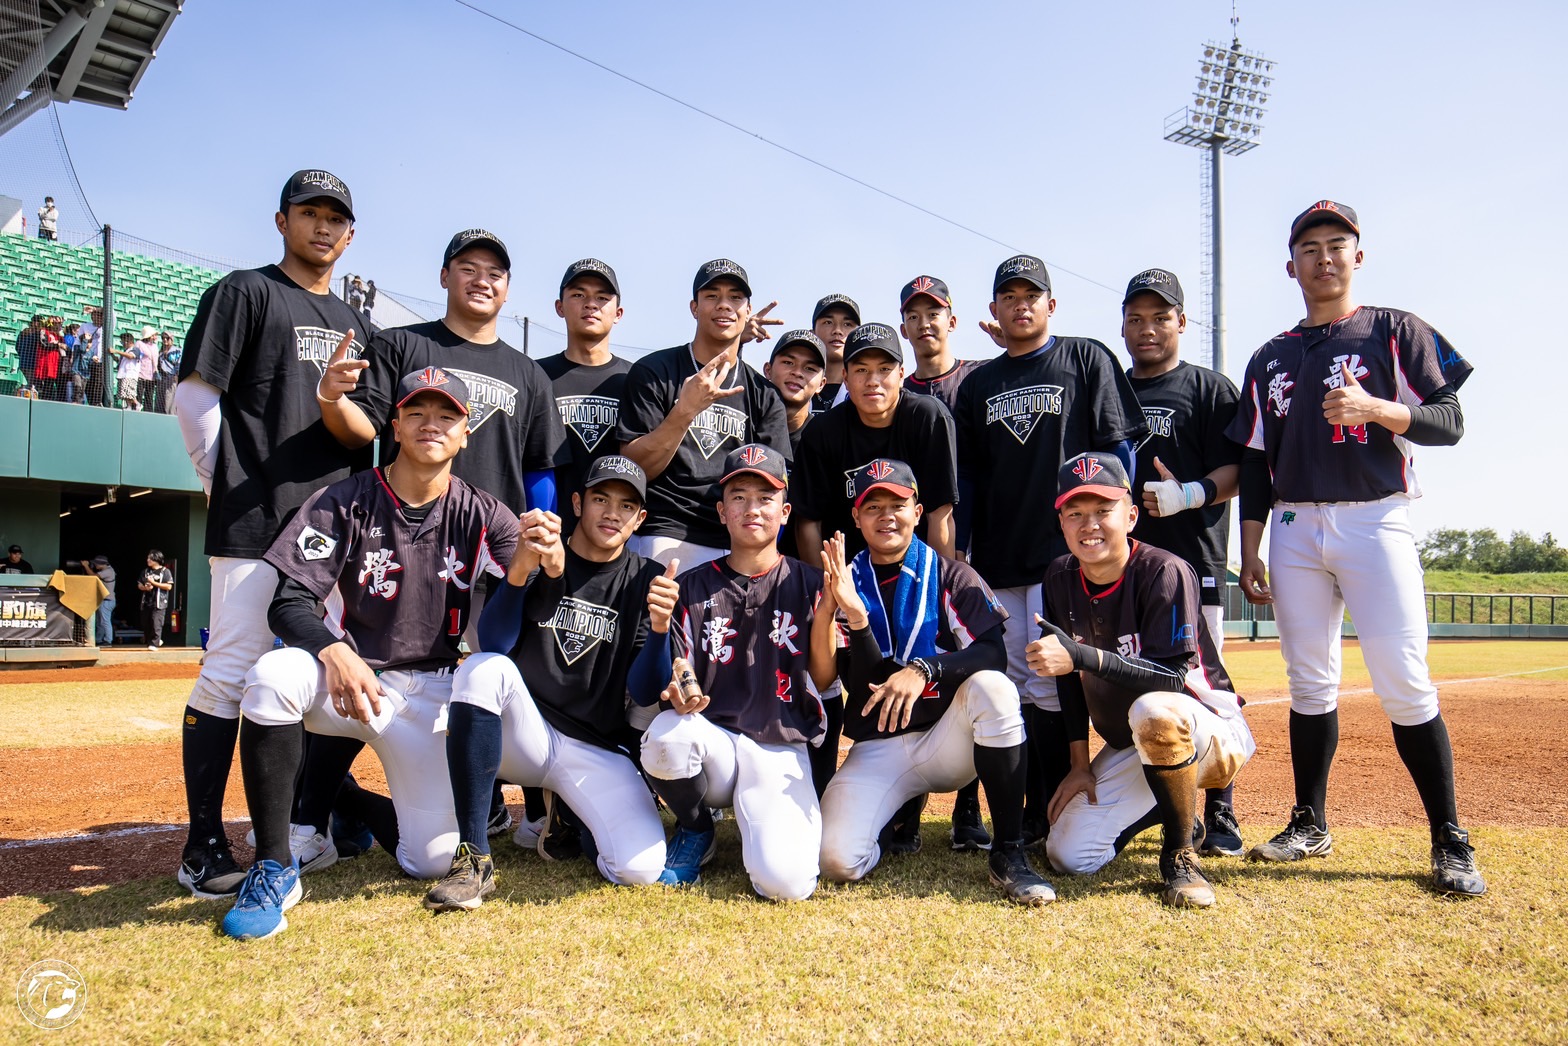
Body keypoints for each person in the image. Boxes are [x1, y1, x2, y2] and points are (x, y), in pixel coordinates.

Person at [1229, 201, 1484, 896]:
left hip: (1377, 517)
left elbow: (1450, 421)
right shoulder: (1270, 355)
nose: (1324, 257)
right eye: (1309, 248)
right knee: (1309, 682)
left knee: (1403, 678)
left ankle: (1449, 837)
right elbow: (1253, 462)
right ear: (1291, 266)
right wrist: (1249, 548)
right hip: (1292, 526)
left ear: (1358, 255)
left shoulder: (1394, 330)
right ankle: (1309, 821)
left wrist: (1377, 409)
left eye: (1337, 244)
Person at [220, 367, 519, 940]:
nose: (432, 424)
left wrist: (544, 557)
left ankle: (349, 806)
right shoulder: (344, 500)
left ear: (465, 433)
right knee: (272, 675)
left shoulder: (482, 511)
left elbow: (528, 593)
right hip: (347, 682)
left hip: (429, 689)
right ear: (396, 425)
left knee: (429, 861)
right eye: (417, 413)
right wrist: (333, 650)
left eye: (447, 415)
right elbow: (288, 604)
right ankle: (274, 865)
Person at [170, 169, 371, 901]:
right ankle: (201, 845)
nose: (322, 227)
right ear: (281, 221)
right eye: (309, 213)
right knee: (232, 671)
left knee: (326, 675)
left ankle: (310, 823)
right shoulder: (244, 291)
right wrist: (215, 473)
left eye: (335, 218)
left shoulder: (357, 322)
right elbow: (195, 394)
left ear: (351, 236)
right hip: (257, 518)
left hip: (334, 531)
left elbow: (366, 430)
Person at [954, 254, 1147, 846]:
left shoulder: (1085, 357)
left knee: (1051, 683)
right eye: (1008, 296)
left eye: (1031, 294)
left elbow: (1120, 453)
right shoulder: (979, 383)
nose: (1020, 304)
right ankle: (1024, 813)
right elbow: (968, 481)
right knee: (1007, 684)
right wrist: (964, 555)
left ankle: (1055, 803)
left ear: (1051, 304)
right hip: (997, 555)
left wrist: (1113, 535)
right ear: (993, 310)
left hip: (1064, 557)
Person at [427, 455, 675, 909]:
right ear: (578, 502)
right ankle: (474, 858)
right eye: (601, 498)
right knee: (484, 670)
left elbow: (643, 691)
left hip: (594, 746)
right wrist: (520, 571)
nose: (611, 513)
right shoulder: (541, 554)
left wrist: (660, 631)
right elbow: (495, 642)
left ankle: (569, 816)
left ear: (640, 519)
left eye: (625, 505)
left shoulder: (647, 578)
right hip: (526, 736)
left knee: (638, 869)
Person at [815, 459, 1055, 905]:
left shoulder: (951, 573)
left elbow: (993, 653)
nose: (886, 515)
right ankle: (895, 814)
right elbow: (860, 679)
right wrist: (855, 615)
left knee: (996, 690)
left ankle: (1009, 852)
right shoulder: (844, 582)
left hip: (948, 741)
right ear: (856, 517)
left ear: (918, 510)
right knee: (836, 861)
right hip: (879, 746)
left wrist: (925, 668)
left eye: (897, 504)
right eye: (873, 506)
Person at [1028, 451, 1255, 908]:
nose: (1088, 524)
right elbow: (1067, 679)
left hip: (1210, 732)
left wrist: (1083, 656)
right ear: (1062, 523)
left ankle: (1180, 854)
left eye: (1102, 511)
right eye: (1075, 513)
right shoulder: (1059, 576)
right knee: (1069, 854)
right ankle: (1179, 813)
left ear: (1130, 516)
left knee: (1154, 710)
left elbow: (1172, 679)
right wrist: (1079, 764)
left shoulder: (1163, 571)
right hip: (1138, 744)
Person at [639, 443, 830, 900]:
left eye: (765, 498)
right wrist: (676, 685)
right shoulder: (690, 585)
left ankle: (759, 827)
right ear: (722, 513)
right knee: (666, 738)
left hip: (781, 746)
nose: (752, 509)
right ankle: (696, 827)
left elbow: (824, 682)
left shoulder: (812, 583)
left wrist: (827, 614)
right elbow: (675, 671)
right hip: (715, 745)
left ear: (785, 512)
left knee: (785, 884)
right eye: (739, 497)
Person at [1118, 268, 1246, 858]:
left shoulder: (1208, 387)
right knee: (1139, 686)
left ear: (1181, 322)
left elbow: (1239, 472)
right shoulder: (1113, 388)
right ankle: (1162, 803)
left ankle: (1219, 810)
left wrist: (1190, 493)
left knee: (1203, 685)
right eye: (1136, 318)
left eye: (1160, 317)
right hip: (1125, 564)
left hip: (1194, 561)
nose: (1148, 329)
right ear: (1123, 325)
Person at [319, 228, 564, 525]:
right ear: (444, 277)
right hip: (400, 532)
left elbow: (539, 467)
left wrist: (539, 532)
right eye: (468, 269)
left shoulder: (531, 375)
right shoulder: (397, 345)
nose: (482, 282)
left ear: (507, 289)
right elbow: (360, 433)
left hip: (492, 546)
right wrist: (331, 399)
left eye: (494, 274)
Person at [614, 259, 791, 567]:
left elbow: (777, 485)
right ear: (694, 307)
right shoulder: (655, 371)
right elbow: (634, 468)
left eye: (736, 297)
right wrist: (685, 411)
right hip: (665, 533)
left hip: (736, 543)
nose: (724, 305)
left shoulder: (764, 394)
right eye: (712, 296)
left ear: (748, 311)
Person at [538, 258, 632, 541]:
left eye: (602, 297)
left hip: (615, 535)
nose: (591, 304)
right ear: (559, 306)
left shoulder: (636, 380)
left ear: (618, 312)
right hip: (549, 528)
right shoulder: (535, 375)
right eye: (578, 295)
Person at [761, 329, 827, 557]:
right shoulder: (746, 427)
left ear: (822, 384)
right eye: (788, 362)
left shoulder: (825, 438)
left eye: (810, 368)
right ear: (767, 370)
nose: (797, 373)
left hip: (801, 571)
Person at [810, 294, 859, 413]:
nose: (837, 330)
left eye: (847, 324)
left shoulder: (866, 391)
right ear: (812, 333)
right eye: (828, 322)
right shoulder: (792, 385)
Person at [138, 550, 175, 649]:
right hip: (146, 602)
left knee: (156, 623)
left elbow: (168, 586)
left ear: (156, 559)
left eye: (150, 558)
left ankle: (154, 643)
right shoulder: (145, 571)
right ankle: (154, 641)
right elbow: (139, 584)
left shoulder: (165, 571)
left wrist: (154, 583)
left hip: (159, 602)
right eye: (148, 558)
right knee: (146, 623)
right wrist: (145, 587)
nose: (148, 560)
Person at [90, 555, 116, 645]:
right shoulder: (106, 570)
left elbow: (93, 576)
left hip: (107, 601)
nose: (95, 565)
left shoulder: (108, 571)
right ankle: (99, 640)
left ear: (100, 564)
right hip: (104, 600)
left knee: (105, 621)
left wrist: (86, 566)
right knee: (100, 622)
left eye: (96, 563)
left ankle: (108, 640)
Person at [113, 332, 142, 410]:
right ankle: (128, 406)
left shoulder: (135, 349)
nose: (122, 343)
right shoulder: (125, 351)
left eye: (122, 341)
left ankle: (137, 404)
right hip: (123, 374)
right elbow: (120, 360)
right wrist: (113, 355)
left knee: (129, 392)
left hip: (130, 375)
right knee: (124, 393)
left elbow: (131, 356)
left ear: (127, 341)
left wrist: (116, 351)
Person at [135, 325, 160, 411]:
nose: (155, 337)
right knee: (138, 395)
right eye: (153, 335)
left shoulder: (155, 346)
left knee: (149, 398)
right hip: (141, 374)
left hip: (151, 376)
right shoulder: (139, 344)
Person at [156, 331, 182, 413]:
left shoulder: (177, 351)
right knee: (160, 402)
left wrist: (176, 376)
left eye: (167, 338)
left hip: (171, 379)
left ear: (171, 339)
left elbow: (179, 364)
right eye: (163, 338)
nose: (165, 340)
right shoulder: (160, 352)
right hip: (161, 379)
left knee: (169, 402)